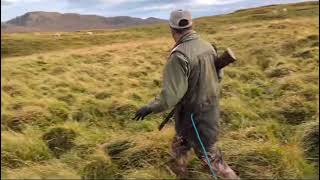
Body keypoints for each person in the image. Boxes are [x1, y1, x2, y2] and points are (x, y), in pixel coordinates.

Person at [133, 9, 240, 179]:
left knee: (214, 162)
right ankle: (181, 175)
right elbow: (218, 77)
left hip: (195, 118)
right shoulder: (208, 46)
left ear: (171, 29)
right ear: (192, 24)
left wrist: (149, 108)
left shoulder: (179, 56)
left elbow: (171, 96)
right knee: (179, 147)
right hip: (208, 112)